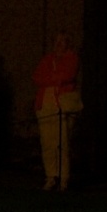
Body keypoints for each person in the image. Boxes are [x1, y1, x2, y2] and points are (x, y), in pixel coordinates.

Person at [32, 32, 81, 191]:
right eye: (57, 41)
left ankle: (64, 177)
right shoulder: (47, 60)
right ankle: (51, 176)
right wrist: (55, 78)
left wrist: (52, 78)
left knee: (62, 142)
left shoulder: (71, 58)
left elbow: (68, 75)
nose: (59, 44)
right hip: (45, 105)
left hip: (62, 105)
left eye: (62, 41)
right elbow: (37, 77)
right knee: (47, 142)